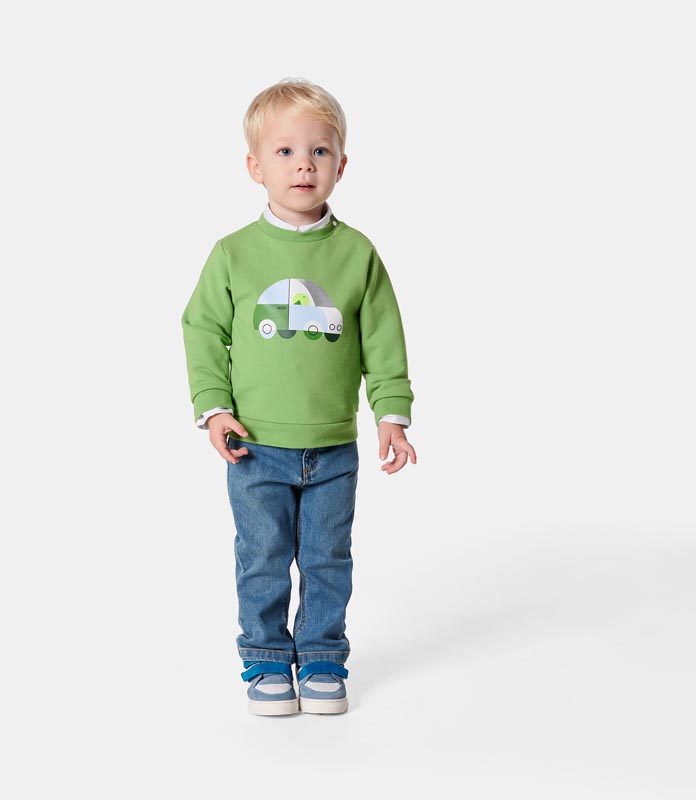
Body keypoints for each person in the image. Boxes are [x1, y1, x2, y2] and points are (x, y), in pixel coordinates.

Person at [181, 77, 416, 716]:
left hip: (333, 445)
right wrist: (214, 407)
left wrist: (391, 414)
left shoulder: (357, 253)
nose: (303, 165)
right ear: (255, 166)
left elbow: (383, 339)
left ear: (341, 164)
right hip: (255, 446)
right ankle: (264, 657)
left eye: (319, 151)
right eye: (285, 152)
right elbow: (202, 329)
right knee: (261, 557)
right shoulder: (233, 254)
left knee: (327, 559)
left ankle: (320, 656)